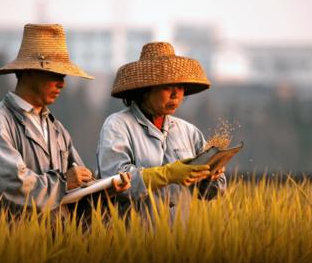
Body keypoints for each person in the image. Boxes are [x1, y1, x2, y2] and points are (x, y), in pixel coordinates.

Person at [0, 23, 130, 214]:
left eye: (63, 76)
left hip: (57, 242)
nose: (62, 84)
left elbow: (79, 191)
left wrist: (105, 191)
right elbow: (10, 187)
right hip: (14, 243)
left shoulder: (57, 130)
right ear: (28, 71)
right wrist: (64, 182)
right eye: (55, 74)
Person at [96, 42, 226, 215]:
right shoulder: (118, 125)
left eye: (180, 87)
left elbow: (211, 194)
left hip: (179, 236)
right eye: (166, 87)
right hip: (133, 237)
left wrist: (211, 175)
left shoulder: (189, 132)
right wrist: (168, 174)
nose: (176, 94)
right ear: (145, 90)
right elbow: (116, 182)